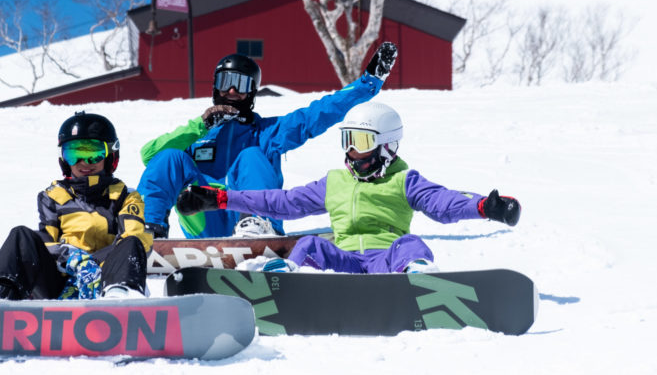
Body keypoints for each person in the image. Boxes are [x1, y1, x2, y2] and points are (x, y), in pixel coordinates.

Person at [174, 101, 521, 273]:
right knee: (311, 243)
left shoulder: (404, 179)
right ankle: (286, 284)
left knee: (411, 243)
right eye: (348, 140)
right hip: (345, 263)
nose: (352, 150)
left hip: (386, 260)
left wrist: (483, 207)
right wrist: (221, 198)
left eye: (361, 141)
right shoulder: (336, 182)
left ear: (386, 145)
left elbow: (442, 202)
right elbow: (281, 202)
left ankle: (419, 282)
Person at [137, 42, 398, 239]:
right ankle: (150, 230)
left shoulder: (267, 132)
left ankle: (257, 225)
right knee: (171, 156)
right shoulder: (198, 134)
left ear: (251, 92)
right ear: (215, 87)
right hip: (206, 221)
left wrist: (368, 84)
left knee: (251, 155)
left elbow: (317, 114)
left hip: (253, 219)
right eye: (225, 82)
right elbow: (151, 157)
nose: (231, 90)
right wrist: (199, 126)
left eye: (240, 84)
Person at [0, 111, 152, 301]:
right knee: (21, 235)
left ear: (110, 155)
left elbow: (134, 238)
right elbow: (47, 242)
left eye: (94, 154)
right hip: (60, 284)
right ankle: (0, 290)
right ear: (64, 158)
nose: (84, 162)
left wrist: (93, 263)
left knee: (132, 242)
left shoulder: (124, 197)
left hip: (106, 280)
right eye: (74, 154)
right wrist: (72, 258)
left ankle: (121, 294)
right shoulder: (53, 197)